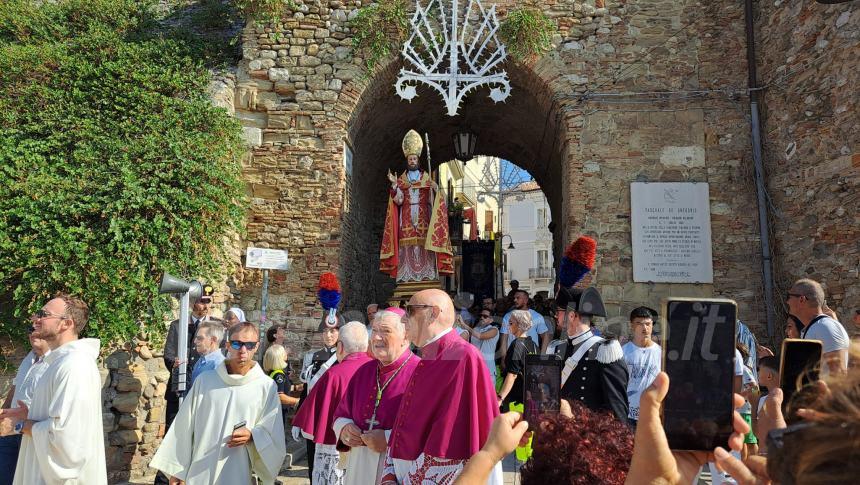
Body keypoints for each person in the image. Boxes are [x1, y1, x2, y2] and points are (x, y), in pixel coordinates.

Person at [380, 289, 501, 484]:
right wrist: (390, 474)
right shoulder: (426, 357)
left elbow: (452, 438)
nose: (403, 320)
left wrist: (409, 480)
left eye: (409, 311)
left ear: (433, 313)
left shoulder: (463, 356)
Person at [150, 322, 286, 484]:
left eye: (249, 345)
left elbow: (272, 430)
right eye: (237, 344)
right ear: (228, 345)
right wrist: (178, 470)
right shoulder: (205, 381)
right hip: (200, 470)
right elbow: (185, 427)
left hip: (238, 468)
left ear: (256, 347)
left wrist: (252, 436)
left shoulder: (265, 386)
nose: (243, 350)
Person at [3, 294, 107, 485]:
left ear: (66, 324)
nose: (36, 318)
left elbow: (68, 437)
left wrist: (20, 426)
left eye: (44, 314)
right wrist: (29, 414)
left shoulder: (75, 365)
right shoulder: (59, 362)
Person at [333, 311, 420, 485]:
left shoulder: (421, 373)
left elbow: (426, 429)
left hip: (398, 468)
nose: (377, 338)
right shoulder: (364, 371)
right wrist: (344, 428)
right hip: (358, 466)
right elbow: (341, 413)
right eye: (374, 330)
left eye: (385, 331)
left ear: (406, 335)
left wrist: (389, 439)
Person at [292, 322, 372, 485]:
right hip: (370, 448)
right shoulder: (379, 370)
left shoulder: (334, 374)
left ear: (340, 347)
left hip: (336, 447)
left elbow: (315, 419)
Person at [379, 129, 453, 282]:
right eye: (410, 159)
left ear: (418, 160)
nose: (412, 161)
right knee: (407, 247)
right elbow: (398, 200)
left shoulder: (427, 179)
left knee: (424, 246)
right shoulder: (401, 180)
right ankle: (408, 278)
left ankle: (426, 277)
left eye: (414, 159)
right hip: (405, 217)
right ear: (407, 160)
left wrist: (435, 188)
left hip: (423, 216)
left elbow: (434, 202)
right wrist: (394, 185)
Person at [553, 286, 629, 422]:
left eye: (559, 311)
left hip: (588, 437)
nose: (555, 316)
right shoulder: (559, 348)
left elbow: (617, 410)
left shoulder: (606, 350)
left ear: (572, 315)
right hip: (561, 435)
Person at [0, 330, 51, 485]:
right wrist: (3, 413)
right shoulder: (29, 357)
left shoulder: (56, 362)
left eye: (38, 330)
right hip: (9, 430)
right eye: (30, 331)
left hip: (30, 431)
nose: (32, 334)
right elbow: (16, 388)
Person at [297, 317, 341, 481]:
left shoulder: (344, 357)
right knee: (313, 462)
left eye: (333, 331)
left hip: (333, 417)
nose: (328, 335)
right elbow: (306, 392)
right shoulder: (312, 357)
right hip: (314, 417)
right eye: (325, 331)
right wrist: (299, 419)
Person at [786, 278, 850, 373]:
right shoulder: (816, 327)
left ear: (801, 299)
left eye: (789, 297)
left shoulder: (824, 327)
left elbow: (839, 374)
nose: (787, 302)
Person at [621, 306, 662, 427]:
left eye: (648, 324)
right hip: (627, 414)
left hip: (652, 413)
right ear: (632, 325)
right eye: (639, 323)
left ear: (652, 325)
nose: (644, 328)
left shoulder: (660, 354)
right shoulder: (623, 352)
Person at [497, 310, 538, 412]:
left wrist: (500, 398)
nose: (508, 326)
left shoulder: (517, 345)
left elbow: (512, 374)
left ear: (519, 325)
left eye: (511, 323)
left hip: (516, 398)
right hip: (530, 397)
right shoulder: (533, 344)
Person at [500, 289, 551, 359]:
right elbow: (504, 339)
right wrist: (503, 358)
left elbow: (545, 336)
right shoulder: (507, 316)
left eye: (518, 298)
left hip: (531, 359)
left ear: (526, 300)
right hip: (511, 359)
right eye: (514, 298)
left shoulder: (537, 316)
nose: (514, 300)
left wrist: (542, 356)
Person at [754, 355, 779, 453]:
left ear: (769, 376)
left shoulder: (765, 400)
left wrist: (753, 405)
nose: (757, 373)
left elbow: (758, 433)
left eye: (759, 370)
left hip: (768, 456)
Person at [468, 308, 500, 382]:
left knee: (488, 393)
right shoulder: (475, 329)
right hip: (475, 367)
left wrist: (464, 325)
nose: (482, 318)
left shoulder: (494, 329)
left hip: (488, 369)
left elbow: (481, 336)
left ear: (491, 319)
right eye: (480, 316)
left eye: (485, 316)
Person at [190, 321, 226, 387]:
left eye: (200, 338)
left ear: (213, 339)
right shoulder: (201, 361)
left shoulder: (219, 365)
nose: (195, 341)